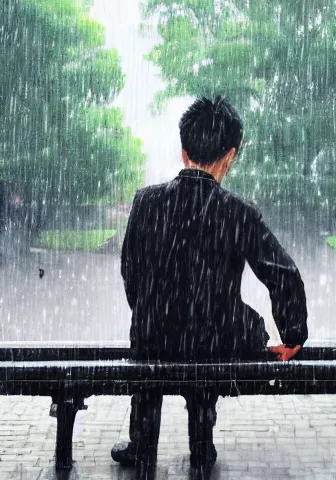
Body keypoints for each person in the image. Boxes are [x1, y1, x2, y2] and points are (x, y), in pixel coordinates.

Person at [111, 96, 308, 477]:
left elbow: (129, 272)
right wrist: (294, 333)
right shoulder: (238, 212)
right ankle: (202, 442)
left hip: (154, 336)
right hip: (212, 340)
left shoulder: (146, 202)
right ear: (230, 155)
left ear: (184, 151)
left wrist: (148, 309)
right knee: (216, 326)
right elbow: (283, 273)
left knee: (152, 338)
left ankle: (142, 443)